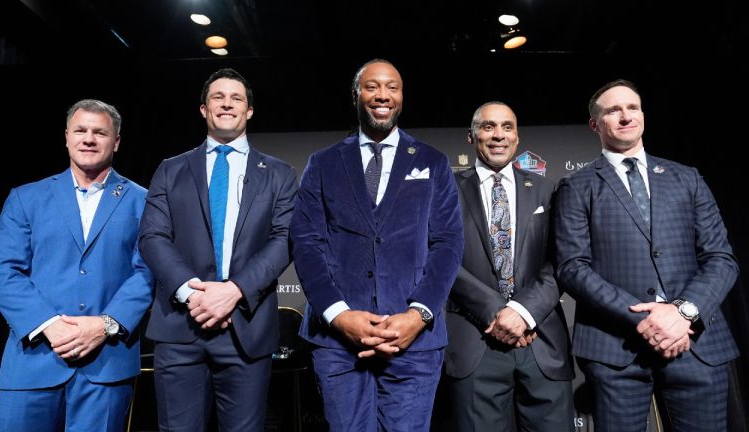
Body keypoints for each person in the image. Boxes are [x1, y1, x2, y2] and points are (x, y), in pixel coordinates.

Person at [552, 79, 739, 431]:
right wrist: (647, 320)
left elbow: (721, 258)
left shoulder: (688, 178)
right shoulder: (576, 186)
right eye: (613, 110)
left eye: (633, 107)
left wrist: (682, 313)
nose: (625, 116)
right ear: (596, 124)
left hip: (695, 344)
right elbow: (573, 267)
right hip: (616, 351)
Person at [290, 58, 464, 431]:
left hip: (414, 341)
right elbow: (306, 243)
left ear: (401, 96)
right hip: (337, 342)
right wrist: (338, 315)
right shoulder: (321, 163)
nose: (382, 95)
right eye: (371, 86)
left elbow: (447, 244)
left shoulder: (433, 161)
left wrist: (418, 315)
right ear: (356, 95)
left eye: (392, 87)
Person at [139, 68, 297, 431]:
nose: (227, 103)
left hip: (247, 329)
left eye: (236, 98)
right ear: (203, 109)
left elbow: (284, 239)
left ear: (250, 111)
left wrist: (234, 291)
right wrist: (194, 295)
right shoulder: (170, 169)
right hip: (180, 327)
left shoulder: (279, 174)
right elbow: (152, 237)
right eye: (218, 97)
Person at [0, 99, 153, 431]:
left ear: (116, 141)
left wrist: (104, 325)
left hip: (106, 365)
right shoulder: (25, 197)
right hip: (32, 362)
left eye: (99, 132)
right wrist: (49, 324)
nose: (89, 138)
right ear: (66, 137)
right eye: (81, 130)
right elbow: (2, 272)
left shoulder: (144, 201)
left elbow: (147, 271)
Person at [445, 101, 574, 431]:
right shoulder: (444, 191)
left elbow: (562, 259)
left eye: (507, 127)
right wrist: (497, 312)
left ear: (517, 137)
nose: (498, 135)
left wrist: (523, 312)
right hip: (475, 340)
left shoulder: (548, 189)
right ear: (471, 137)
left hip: (541, 339)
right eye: (488, 127)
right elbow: (440, 258)